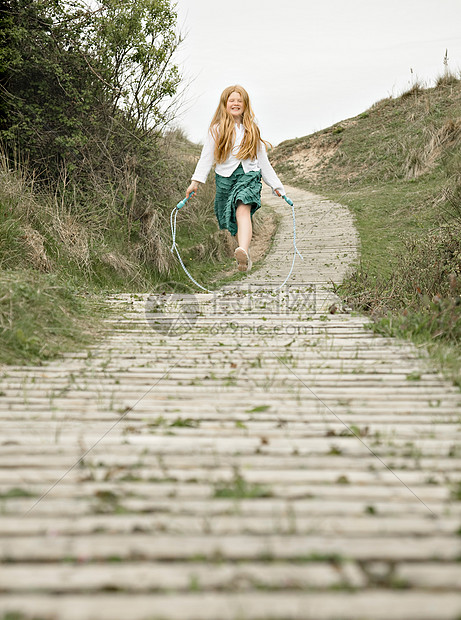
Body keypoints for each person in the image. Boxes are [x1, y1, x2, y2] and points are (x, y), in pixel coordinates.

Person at [185, 85, 285, 273]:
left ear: (245, 105)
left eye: (240, 100)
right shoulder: (216, 130)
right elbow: (206, 157)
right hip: (225, 180)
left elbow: (263, 161)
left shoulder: (252, 129)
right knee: (233, 216)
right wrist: (195, 182)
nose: (236, 103)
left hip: (249, 176)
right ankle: (243, 259)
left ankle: (243, 250)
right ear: (225, 104)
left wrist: (276, 186)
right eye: (232, 100)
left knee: (242, 209)